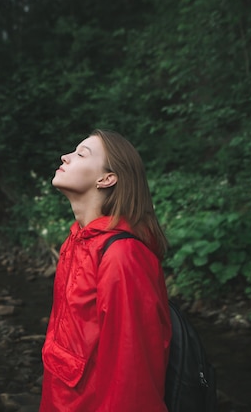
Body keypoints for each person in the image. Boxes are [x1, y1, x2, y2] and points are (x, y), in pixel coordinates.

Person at [39, 129, 172, 411]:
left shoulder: (123, 256)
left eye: (81, 153)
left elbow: (132, 372)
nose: (66, 156)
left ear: (106, 179)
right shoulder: (75, 243)